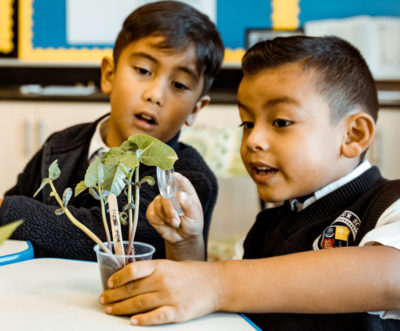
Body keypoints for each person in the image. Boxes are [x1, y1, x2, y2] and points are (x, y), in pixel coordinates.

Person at [99, 36, 400, 330]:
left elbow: (391, 274)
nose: (253, 140)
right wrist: (188, 245)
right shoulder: (264, 229)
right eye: (247, 123)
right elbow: (222, 312)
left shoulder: (389, 203)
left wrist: (217, 282)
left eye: (281, 122)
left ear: (354, 135)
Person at [0, 1, 224, 261]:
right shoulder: (61, 144)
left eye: (180, 85)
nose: (155, 95)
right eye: (143, 70)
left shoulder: (189, 178)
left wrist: (10, 210)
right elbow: (12, 214)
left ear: (196, 109)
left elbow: (116, 240)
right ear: (109, 75)